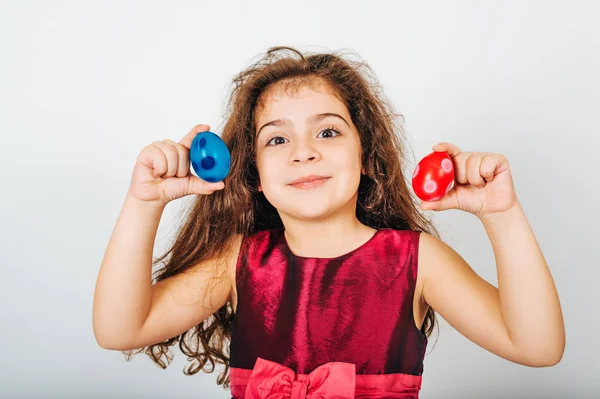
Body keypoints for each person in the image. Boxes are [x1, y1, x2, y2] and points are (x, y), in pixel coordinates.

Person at [92, 46, 565, 398]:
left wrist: (502, 215)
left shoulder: (417, 261)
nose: (304, 151)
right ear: (253, 175)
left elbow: (538, 346)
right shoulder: (239, 263)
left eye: (328, 131)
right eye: (277, 140)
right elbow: (119, 330)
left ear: (366, 158)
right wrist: (144, 202)